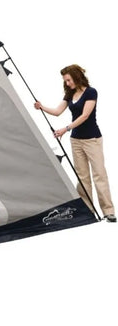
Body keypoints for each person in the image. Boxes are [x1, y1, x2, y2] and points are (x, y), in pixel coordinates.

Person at [34, 64, 116, 222]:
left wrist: (65, 129)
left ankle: (108, 211)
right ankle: (87, 209)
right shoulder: (69, 93)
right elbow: (57, 112)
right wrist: (41, 107)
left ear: (77, 77)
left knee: (99, 174)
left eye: (69, 80)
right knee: (82, 176)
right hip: (76, 140)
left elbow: (85, 116)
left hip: (92, 139)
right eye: (65, 81)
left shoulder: (91, 92)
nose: (67, 83)